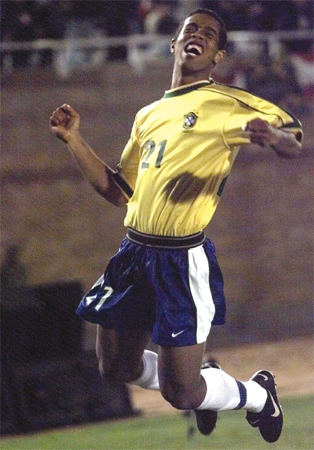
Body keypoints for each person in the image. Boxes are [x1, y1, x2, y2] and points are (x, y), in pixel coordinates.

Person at [50, 8, 302, 444]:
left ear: (217, 54)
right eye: (191, 29)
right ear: (174, 43)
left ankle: (259, 396)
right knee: (116, 368)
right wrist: (75, 140)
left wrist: (274, 138)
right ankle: (204, 373)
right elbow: (117, 190)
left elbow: (294, 140)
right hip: (133, 253)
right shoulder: (148, 114)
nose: (197, 36)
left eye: (208, 34)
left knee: (182, 394)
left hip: (180, 258)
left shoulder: (227, 103)